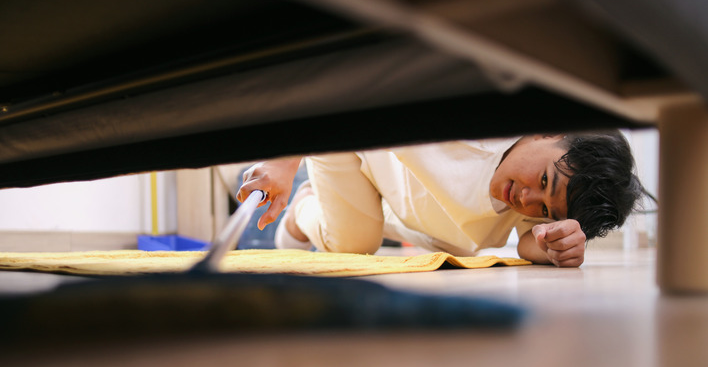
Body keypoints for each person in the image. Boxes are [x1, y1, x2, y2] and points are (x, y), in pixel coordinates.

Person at [237, 131, 644, 267]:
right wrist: (284, 160)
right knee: (354, 246)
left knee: (385, 237)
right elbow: (342, 90)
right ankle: (302, 211)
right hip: (356, 149)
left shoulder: (538, 208)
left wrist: (556, 247)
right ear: (546, 132)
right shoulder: (480, 128)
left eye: (543, 210)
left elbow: (527, 241)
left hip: (417, 214)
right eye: (542, 179)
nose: (526, 198)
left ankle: (328, 206)